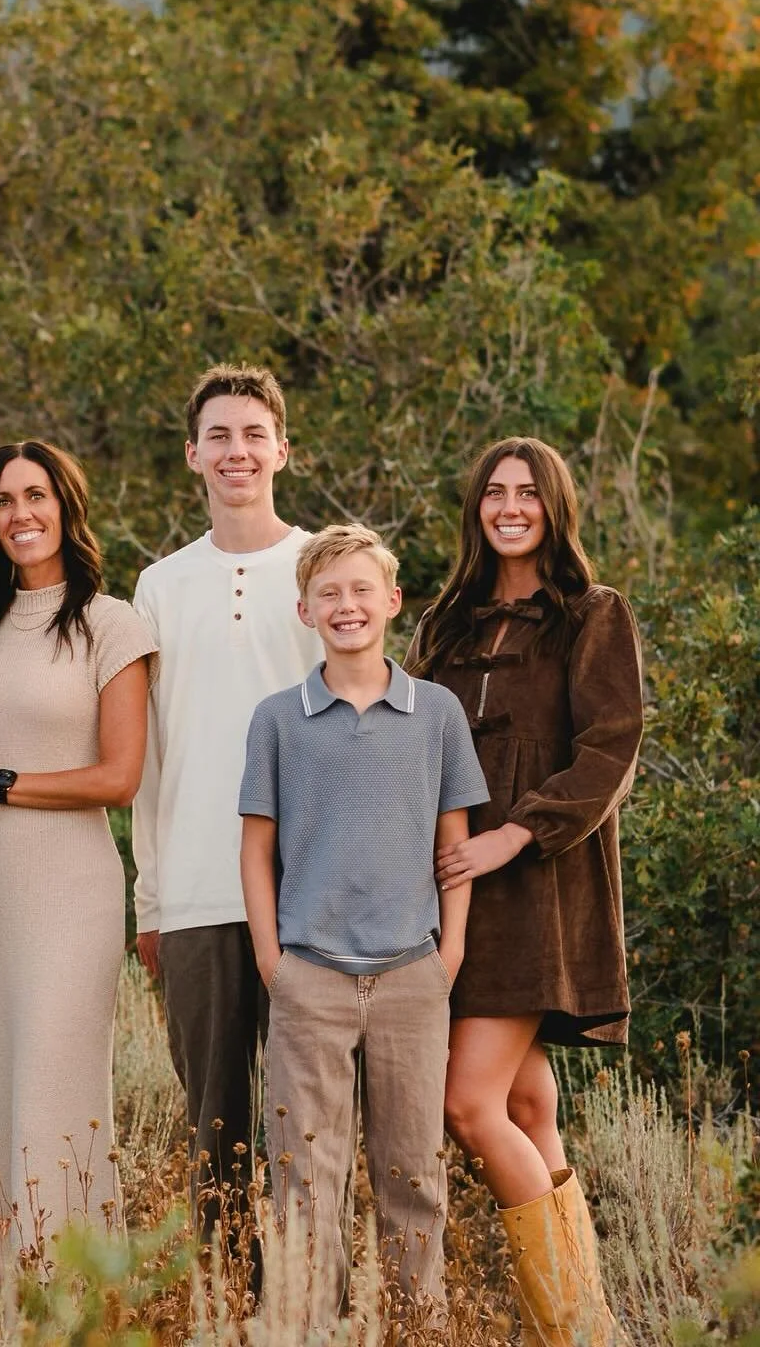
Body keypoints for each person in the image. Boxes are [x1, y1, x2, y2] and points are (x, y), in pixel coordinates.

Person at [407, 438, 643, 1346]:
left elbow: (609, 751)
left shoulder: (593, 614)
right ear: (477, 509)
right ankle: (593, 1324)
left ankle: (578, 1327)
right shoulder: (446, 623)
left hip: (539, 891)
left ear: (554, 506)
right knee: (526, 1106)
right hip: (449, 893)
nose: (511, 507)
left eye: (528, 493)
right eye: (495, 493)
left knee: (467, 1105)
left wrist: (514, 832)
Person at [239, 523, 489, 1327]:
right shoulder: (278, 719)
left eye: (361, 590)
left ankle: (419, 1327)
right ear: (305, 611)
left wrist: (447, 956)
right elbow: (256, 851)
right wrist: (274, 961)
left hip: (413, 976)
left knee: (413, 1173)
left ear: (392, 601)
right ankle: (309, 1328)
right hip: (309, 976)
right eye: (328, 594)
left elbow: (455, 848)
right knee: (305, 1177)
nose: (347, 606)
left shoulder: (436, 714)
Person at [0, 442, 155, 1285]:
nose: (20, 514)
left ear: (67, 505)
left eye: (36, 496)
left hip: (72, 888)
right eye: (2, 500)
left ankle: (71, 1288)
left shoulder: (113, 623)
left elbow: (119, 777)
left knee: (59, 1086)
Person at [131, 363, 321, 1246]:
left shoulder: (323, 570)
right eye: (219, 436)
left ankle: (313, 1311)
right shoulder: (160, 587)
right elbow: (151, 757)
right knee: (216, 1128)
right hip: (199, 895)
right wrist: (152, 902)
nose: (236, 451)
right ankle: (227, 1314)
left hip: (313, 898)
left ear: (282, 448)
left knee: (309, 1130)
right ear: (192, 456)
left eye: (253, 434)